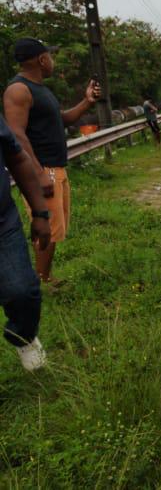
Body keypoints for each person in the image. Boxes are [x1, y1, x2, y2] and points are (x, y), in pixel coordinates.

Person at [3, 37, 100, 284]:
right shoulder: (18, 90)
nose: (52, 61)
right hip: (43, 168)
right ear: (42, 59)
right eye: (51, 56)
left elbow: (63, 119)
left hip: (56, 167)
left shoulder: (41, 90)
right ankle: (41, 281)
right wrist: (39, 172)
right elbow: (16, 134)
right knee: (47, 227)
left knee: (55, 229)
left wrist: (87, 101)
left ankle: (45, 276)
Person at [0, 116, 52, 371]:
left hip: (2, 223)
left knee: (22, 291)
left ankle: (24, 336)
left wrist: (40, 212)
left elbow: (17, 157)